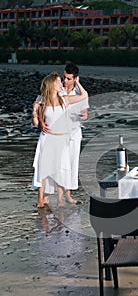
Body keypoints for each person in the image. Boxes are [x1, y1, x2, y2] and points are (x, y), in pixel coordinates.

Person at [32, 63, 88, 205]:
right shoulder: (52, 94)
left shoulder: (71, 96)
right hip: (52, 136)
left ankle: (65, 198)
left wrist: (82, 115)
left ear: (75, 79)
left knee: (67, 165)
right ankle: (44, 197)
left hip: (71, 133)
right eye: (62, 78)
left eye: (68, 79)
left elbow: (85, 105)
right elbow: (39, 109)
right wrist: (38, 118)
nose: (64, 81)